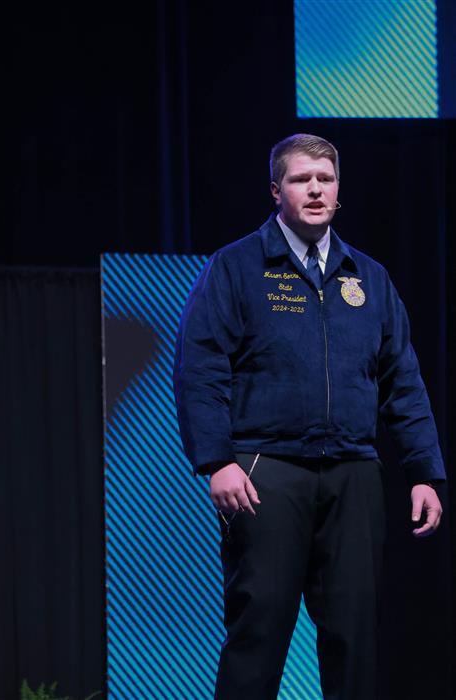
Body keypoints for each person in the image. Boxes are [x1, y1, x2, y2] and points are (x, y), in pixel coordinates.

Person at [173, 133, 445, 700]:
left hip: (353, 474)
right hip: (265, 472)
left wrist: (424, 472)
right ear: (277, 191)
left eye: (326, 179)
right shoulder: (237, 267)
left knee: (354, 635)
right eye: (301, 179)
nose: (316, 190)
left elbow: (403, 381)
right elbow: (201, 368)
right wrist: (217, 461)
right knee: (259, 629)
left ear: (339, 191)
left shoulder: (368, 277)